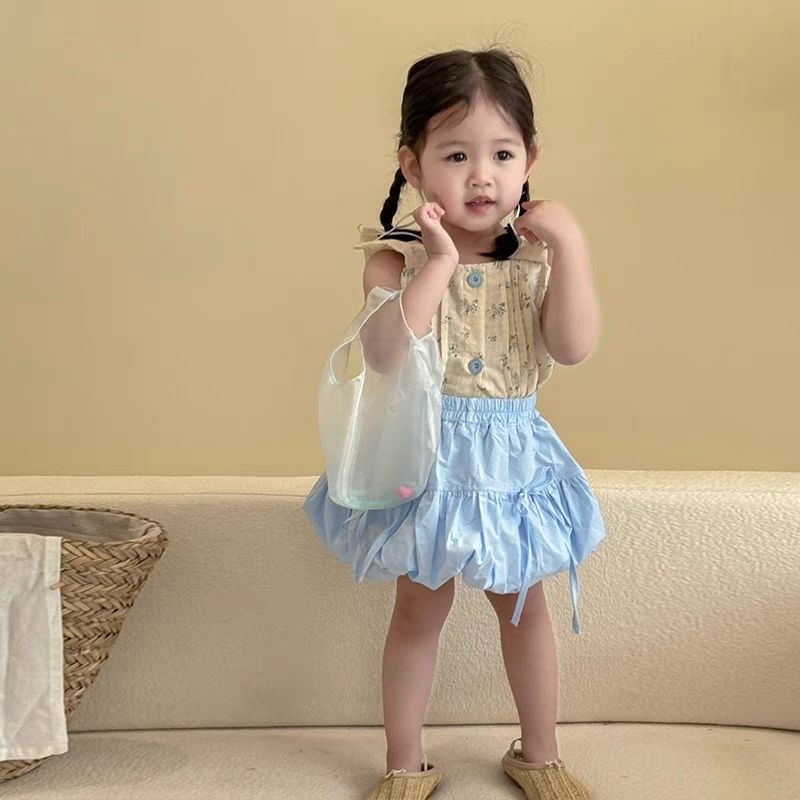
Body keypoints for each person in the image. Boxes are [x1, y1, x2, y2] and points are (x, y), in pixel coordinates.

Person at [304, 46, 606, 800]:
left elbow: (572, 347)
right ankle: (405, 761)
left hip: (512, 461)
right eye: (456, 154)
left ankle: (539, 753)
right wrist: (437, 263)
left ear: (529, 159)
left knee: (525, 608)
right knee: (417, 609)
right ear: (413, 165)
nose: (482, 176)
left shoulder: (535, 258)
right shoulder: (396, 259)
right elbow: (384, 355)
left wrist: (571, 247)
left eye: (502, 154)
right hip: (428, 458)